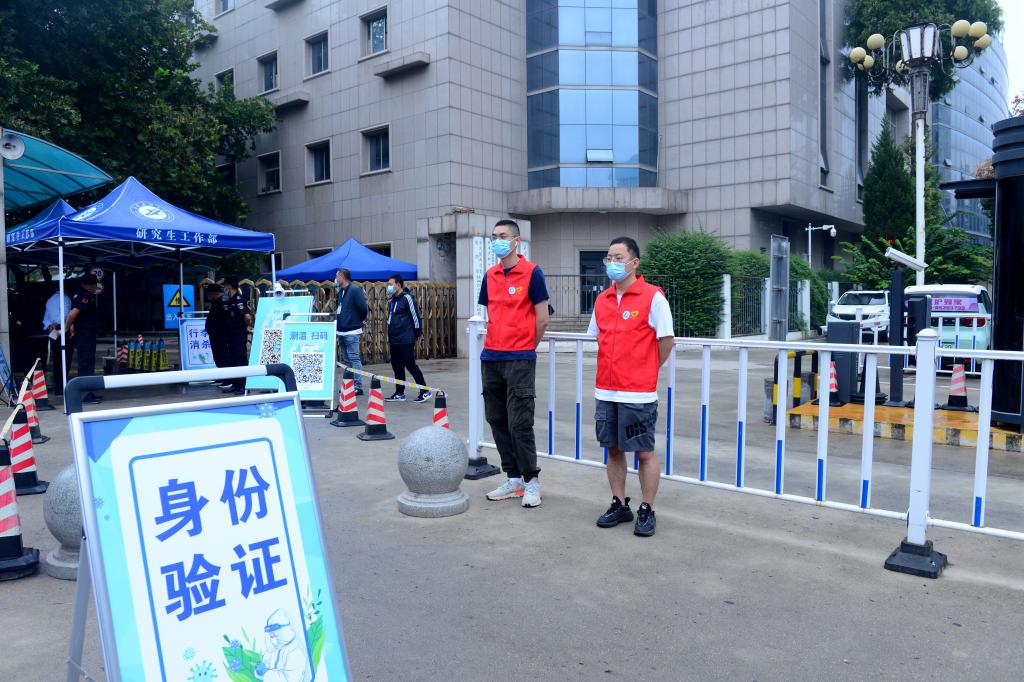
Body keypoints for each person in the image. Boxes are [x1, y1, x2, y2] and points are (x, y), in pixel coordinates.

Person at [588, 237, 675, 537]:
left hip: (637, 393)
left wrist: (647, 369)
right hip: (606, 390)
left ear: (634, 262)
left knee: (644, 453)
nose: (612, 263)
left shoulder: (653, 297)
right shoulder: (602, 299)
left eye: (618, 258)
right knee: (613, 450)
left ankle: (647, 509)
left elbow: (666, 341)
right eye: (609, 258)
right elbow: (597, 337)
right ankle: (619, 503)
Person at [478, 219, 550, 508]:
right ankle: (513, 478)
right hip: (491, 357)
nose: (497, 240)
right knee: (496, 420)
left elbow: (542, 318)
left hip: (519, 358)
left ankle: (531, 480)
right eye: (494, 236)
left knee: (520, 423)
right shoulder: (490, 275)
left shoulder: (532, 273)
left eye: (502, 236)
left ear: (516, 241)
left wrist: (526, 347)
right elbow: (490, 314)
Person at [384, 274, 432, 403]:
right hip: (394, 339)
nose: (388, 287)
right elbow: (390, 319)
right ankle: (399, 393)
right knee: (397, 366)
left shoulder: (407, 298)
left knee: (410, 365)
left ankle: (424, 391)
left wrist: (417, 333)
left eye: (390, 284)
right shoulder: (392, 300)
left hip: (406, 338)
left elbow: (415, 316)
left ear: (398, 285)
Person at [64, 273, 102, 404]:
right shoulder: (85, 296)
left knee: (87, 363)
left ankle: (88, 392)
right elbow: (72, 315)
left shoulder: (77, 295)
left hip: (84, 334)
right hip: (85, 335)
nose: (94, 287)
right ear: (86, 285)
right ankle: (85, 395)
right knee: (86, 364)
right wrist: (66, 327)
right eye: (93, 284)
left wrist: (71, 326)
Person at [334, 268, 368, 395]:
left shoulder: (354, 290)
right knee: (347, 360)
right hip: (341, 331)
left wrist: (360, 319)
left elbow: (363, 307)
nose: (336, 279)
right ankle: (349, 385)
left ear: (343, 277)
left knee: (354, 358)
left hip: (352, 330)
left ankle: (358, 386)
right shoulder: (340, 292)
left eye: (337, 276)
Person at [255, 609, 312, 682]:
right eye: (271, 637)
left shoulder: (296, 654)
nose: (273, 641)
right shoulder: (271, 652)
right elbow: (263, 673)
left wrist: (265, 672)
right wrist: (259, 671)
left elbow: (290, 680)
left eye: (276, 636)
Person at [221, 275, 252, 395]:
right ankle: (236, 384)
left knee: (240, 360)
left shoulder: (238, 299)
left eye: (225, 286)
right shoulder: (229, 299)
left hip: (238, 335)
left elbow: (247, 317)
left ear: (229, 286)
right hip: (231, 335)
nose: (224, 288)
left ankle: (243, 385)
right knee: (233, 360)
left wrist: (245, 326)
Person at [202, 281, 232, 389]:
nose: (209, 296)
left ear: (216, 293)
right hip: (214, 334)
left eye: (211, 294)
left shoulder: (223, 303)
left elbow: (225, 320)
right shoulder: (215, 303)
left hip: (221, 335)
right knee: (217, 356)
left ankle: (228, 379)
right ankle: (221, 376)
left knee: (224, 356)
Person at [42, 284, 71, 394]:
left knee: (56, 358)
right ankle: (63, 386)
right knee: (65, 358)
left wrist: (50, 325)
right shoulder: (66, 299)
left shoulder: (49, 300)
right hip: (63, 329)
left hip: (52, 331)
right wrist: (56, 323)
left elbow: (45, 318)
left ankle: (58, 387)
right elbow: (66, 315)